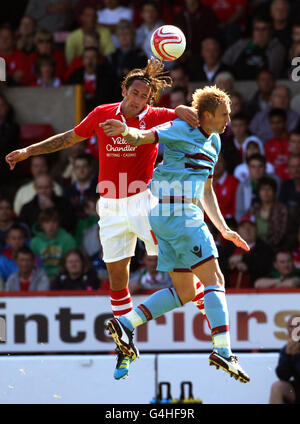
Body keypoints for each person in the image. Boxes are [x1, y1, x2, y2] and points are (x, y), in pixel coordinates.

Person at [5, 57, 199, 380]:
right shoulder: (102, 114)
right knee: (117, 282)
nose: (138, 100)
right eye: (134, 93)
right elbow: (68, 138)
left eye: (144, 97)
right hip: (109, 207)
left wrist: (182, 110)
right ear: (124, 90)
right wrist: (28, 152)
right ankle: (124, 347)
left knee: (179, 261)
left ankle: (207, 301)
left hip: (141, 201)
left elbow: (177, 114)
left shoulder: (154, 117)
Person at [101, 85, 250, 383]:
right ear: (206, 115)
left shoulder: (216, 141)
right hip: (180, 214)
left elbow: (206, 190)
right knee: (215, 281)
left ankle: (127, 323)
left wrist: (224, 229)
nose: (228, 120)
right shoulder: (182, 127)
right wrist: (125, 131)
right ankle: (223, 350)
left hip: (170, 217)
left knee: (184, 292)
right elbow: (145, 136)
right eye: (224, 114)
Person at [222, 14, 286, 80]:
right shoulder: (240, 44)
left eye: (264, 29)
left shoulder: (277, 48)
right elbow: (225, 62)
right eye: (257, 29)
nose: (260, 32)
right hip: (237, 83)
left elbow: (275, 70)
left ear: (270, 31)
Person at [223, 215, 273, 288]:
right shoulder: (229, 247)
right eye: (243, 227)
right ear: (238, 230)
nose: (247, 230)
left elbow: (263, 266)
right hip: (229, 292)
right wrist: (231, 264)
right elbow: (220, 264)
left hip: (254, 293)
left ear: (256, 230)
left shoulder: (264, 248)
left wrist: (243, 259)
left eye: (251, 227)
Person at [66, 46, 119, 112]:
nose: (90, 61)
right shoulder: (75, 76)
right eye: (87, 57)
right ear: (82, 60)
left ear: (98, 60)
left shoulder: (108, 77)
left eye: (93, 57)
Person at [30, 208, 76, 278]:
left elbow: (73, 261)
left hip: (63, 276)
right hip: (40, 277)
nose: (51, 226)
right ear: (41, 225)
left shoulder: (68, 240)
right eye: (47, 222)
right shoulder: (34, 242)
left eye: (54, 222)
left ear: (58, 223)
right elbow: (33, 264)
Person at [235, 153, 281, 221]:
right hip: (249, 221)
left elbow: (279, 204)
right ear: (248, 168)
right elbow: (239, 211)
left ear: (265, 167)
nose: (257, 170)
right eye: (253, 167)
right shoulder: (243, 185)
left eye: (260, 166)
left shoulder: (276, 181)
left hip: (273, 218)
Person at [247, 176, 288, 249]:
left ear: (274, 191)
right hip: (254, 247)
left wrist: (266, 247)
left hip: (275, 248)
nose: (266, 192)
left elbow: (282, 233)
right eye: (262, 189)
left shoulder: (281, 209)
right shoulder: (254, 209)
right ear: (258, 192)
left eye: (269, 189)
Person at [269, 314, 300, 404]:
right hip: (296, 389)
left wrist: (296, 357)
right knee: (277, 387)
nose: (293, 330)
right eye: (290, 327)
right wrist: (288, 356)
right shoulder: (287, 349)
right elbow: (283, 376)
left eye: (296, 326)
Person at [63, 154, 98, 224]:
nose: (81, 170)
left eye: (84, 166)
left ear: (90, 168)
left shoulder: (99, 188)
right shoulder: (68, 191)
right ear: (74, 170)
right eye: (77, 167)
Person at [264, 108, 290, 176]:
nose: (276, 126)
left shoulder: (294, 141)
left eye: (279, 122)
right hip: (275, 181)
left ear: (285, 122)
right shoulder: (269, 144)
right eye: (272, 123)